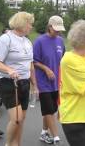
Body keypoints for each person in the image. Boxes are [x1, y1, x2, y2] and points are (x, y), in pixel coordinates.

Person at [0, 12, 38, 146]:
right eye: (30, 24)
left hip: (24, 82)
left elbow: (30, 64)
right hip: (8, 82)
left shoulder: (28, 41)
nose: (31, 27)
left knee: (21, 119)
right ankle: (8, 144)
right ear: (22, 23)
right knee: (16, 119)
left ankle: (17, 144)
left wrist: (34, 84)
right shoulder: (6, 39)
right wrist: (9, 70)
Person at [33, 15, 66, 144]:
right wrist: (46, 69)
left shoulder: (60, 41)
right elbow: (34, 61)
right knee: (48, 110)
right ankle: (56, 137)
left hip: (56, 82)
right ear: (49, 26)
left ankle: (43, 132)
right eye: (56, 28)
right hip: (43, 82)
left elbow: (62, 59)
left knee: (51, 110)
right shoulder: (39, 41)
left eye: (60, 29)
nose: (58, 31)